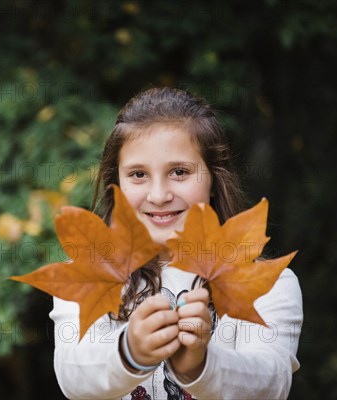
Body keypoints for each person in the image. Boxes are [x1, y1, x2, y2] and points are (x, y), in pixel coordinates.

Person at [49, 87, 303, 399]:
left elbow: (270, 381)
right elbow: (73, 374)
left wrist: (200, 366)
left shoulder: (269, 284)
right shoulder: (88, 276)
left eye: (179, 172)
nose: (158, 195)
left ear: (213, 179)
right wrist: (130, 351)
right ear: (117, 184)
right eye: (138, 174)